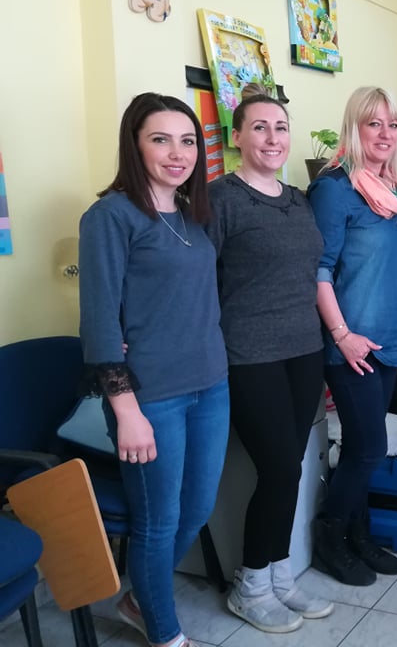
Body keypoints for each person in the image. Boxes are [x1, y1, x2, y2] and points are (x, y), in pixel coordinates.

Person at [79, 93, 228, 647]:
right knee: (158, 522)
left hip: (211, 385)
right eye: (160, 139)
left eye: (187, 141)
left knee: (198, 508)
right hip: (151, 397)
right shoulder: (110, 216)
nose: (177, 153)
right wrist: (126, 411)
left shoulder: (192, 213)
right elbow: (98, 321)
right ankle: (165, 634)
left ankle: (139, 600)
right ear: (134, 146)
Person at [206, 86, 332, 633]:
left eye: (280, 127)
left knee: (292, 467)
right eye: (259, 127)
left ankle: (280, 575)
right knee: (278, 467)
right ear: (237, 137)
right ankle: (251, 585)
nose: (272, 137)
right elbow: (199, 282)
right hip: (248, 355)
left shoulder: (299, 199)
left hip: (304, 350)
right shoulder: (219, 199)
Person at [306, 86, 397, 586]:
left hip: (388, 340)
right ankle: (330, 537)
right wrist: (342, 334)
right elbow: (318, 269)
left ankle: (359, 534)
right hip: (351, 344)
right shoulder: (334, 189)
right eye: (374, 123)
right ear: (354, 127)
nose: (385, 133)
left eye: (393, 124)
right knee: (368, 448)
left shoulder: (394, 190)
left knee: (361, 448)